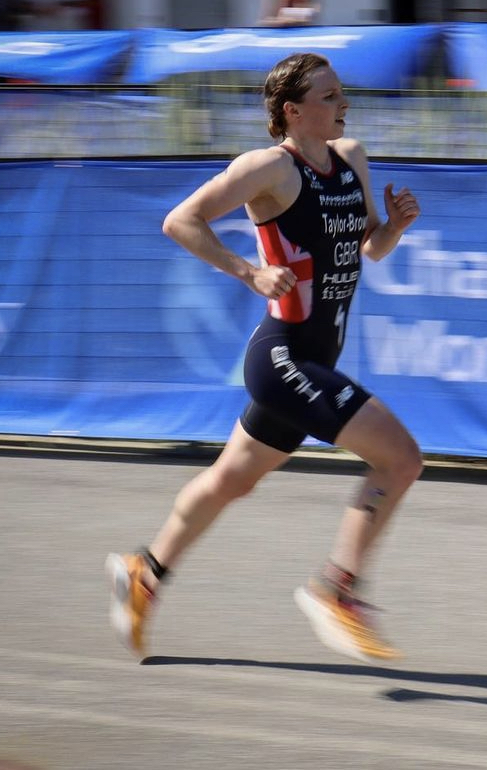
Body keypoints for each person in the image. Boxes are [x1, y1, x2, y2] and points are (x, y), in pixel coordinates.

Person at [106, 52, 422, 664]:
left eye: (341, 92)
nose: (343, 103)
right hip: (282, 357)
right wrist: (248, 272)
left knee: (232, 480)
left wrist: (396, 227)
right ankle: (337, 590)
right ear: (293, 111)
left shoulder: (351, 157)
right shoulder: (269, 168)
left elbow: (371, 247)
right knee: (401, 459)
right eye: (329, 96)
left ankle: (144, 573)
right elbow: (181, 221)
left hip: (316, 356)